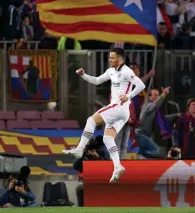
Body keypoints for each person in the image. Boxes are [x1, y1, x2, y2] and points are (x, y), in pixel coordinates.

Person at [62, 48, 146, 183]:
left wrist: (128, 96)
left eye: (112, 58)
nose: (109, 60)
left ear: (120, 59)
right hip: (121, 112)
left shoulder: (126, 71)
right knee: (108, 139)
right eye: (109, 57)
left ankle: (79, 149)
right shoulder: (111, 71)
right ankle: (117, 166)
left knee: (91, 120)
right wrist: (84, 75)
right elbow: (96, 81)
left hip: (119, 107)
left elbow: (141, 85)